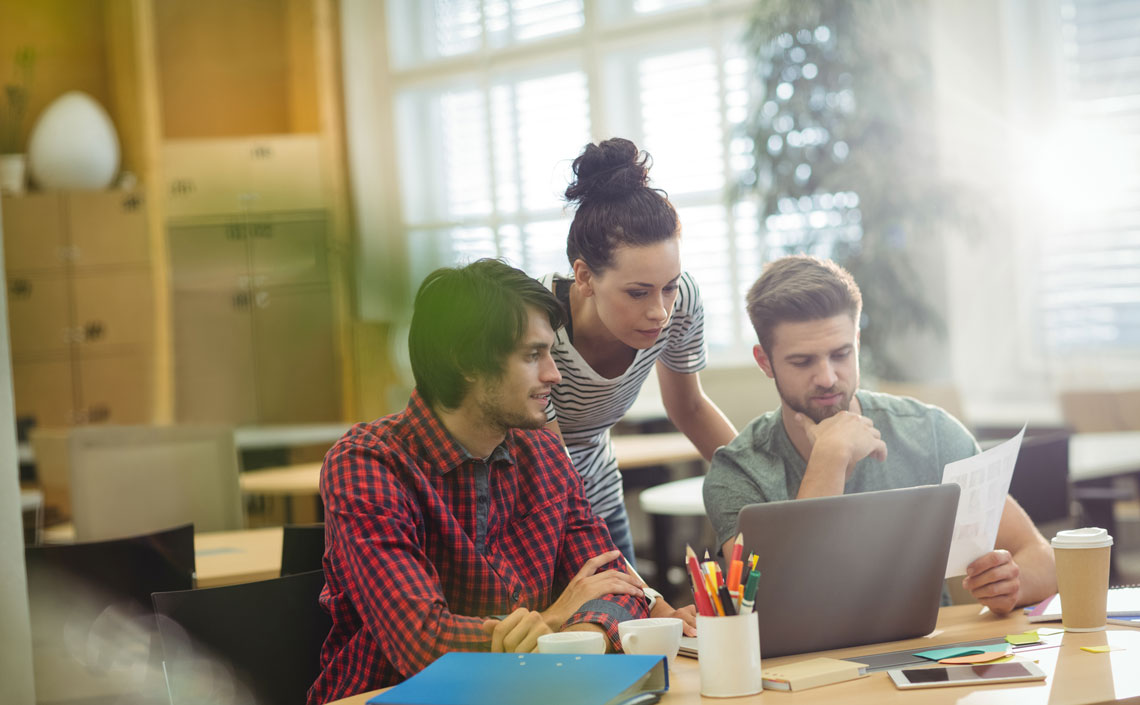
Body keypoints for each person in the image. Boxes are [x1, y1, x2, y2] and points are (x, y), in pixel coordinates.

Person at [309, 259, 650, 704]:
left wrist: (576, 636)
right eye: (532, 355)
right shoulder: (369, 465)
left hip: (527, 693)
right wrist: (550, 621)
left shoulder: (545, 454)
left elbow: (619, 587)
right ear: (466, 361)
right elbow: (422, 643)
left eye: (550, 352)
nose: (554, 374)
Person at [702, 254, 1056, 616]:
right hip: (805, 669)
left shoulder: (930, 433)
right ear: (765, 361)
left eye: (841, 354)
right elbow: (775, 605)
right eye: (802, 361)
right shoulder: (738, 472)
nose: (826, 377)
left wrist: (1014, 583)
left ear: (857, 341)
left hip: (926, 661)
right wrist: (830, 459)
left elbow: (1041, 557)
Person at [540, 137, 738, 563]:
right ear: (585, 277)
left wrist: (763, 494)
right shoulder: (536, 325)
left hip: (596, 492)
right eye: (637, 292)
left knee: (629, 622)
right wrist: (650, 599)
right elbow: (547, 462)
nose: (660, 311)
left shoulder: (681, 300)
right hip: (528, 507)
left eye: (667, 287)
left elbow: (691, 409)